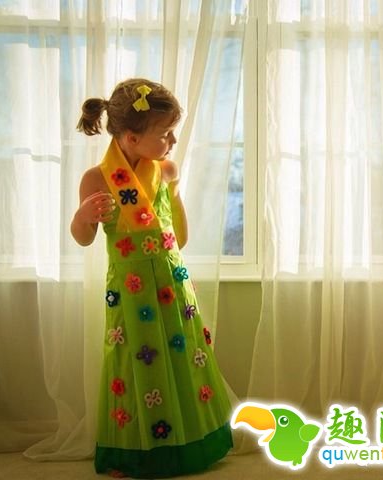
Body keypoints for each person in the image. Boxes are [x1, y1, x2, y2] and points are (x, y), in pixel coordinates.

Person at [71, 78, 233, 478]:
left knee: (182, 355)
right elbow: (84, 238)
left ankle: (193, 443)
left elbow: (179, 234)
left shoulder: (167, 171)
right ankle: (135, 452)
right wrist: (83, 216)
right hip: (130, 289)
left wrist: (172, 201)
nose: (173, 141)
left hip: (171, 281)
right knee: (134, 360)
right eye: (165, 133)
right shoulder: (96, 179)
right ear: (131, 137)